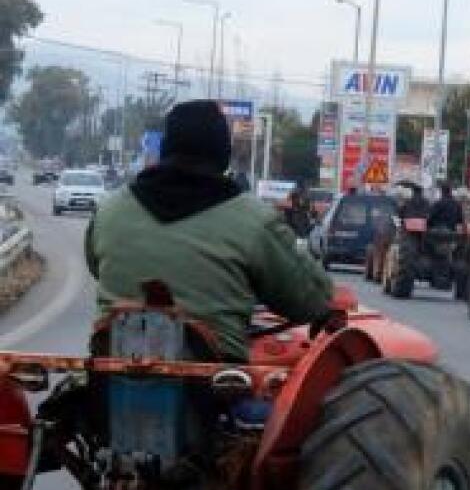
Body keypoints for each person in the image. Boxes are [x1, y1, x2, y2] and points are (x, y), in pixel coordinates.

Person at [85, 100, 335, 362]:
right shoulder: (254, 220)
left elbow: (95, 266)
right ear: (222, 153)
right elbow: (311, 300)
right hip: (214, 388)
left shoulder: (109, 211)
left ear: (165, 148)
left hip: (110, 380)